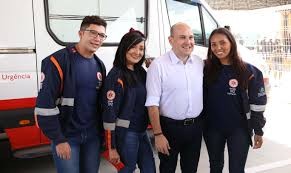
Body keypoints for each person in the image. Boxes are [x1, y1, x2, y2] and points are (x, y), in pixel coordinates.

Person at [34, 16, 107, 173]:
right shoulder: (57, 61)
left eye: (102, 35)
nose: (97, 38)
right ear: (80, 33)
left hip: (92, 137)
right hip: (67, 137)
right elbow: (45, 106)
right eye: (93, 33)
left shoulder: (99, 65)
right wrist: (59, 139)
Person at [203, 27, 267, 173]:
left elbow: (258, 105)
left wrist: (258, 130)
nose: (218, 48)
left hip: (239, 130)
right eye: (213, 44)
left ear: (231, 43)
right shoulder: (205, 69)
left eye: (222, 43)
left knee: (237, 169)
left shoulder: (249, 72)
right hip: (213, 129)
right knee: (215, 166)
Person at [145, 22, 204, 173]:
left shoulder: (199, 63)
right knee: (167, 169)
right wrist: (158, 135)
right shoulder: (158, 66)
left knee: (191, 169)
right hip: (169, 129)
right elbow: (152, 104)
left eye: (191, 37)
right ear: (171, 40)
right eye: (182, 37)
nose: (188, 42)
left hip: (195, 128)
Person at [102, 28, 156, 173]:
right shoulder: (116, 76)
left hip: (142, 131)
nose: (137, 52)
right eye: (133, 47)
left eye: (141, 48)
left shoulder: (140, 72)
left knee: (150, 169)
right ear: (124, 47)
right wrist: (111, 147)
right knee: (128, 169)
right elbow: (109, 115)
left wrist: (155, 68)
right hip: (126, 134)